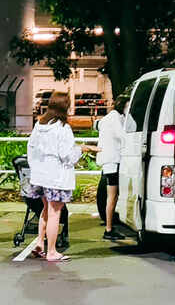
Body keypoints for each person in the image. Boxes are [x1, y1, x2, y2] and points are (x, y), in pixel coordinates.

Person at [26, 91, 92, 262]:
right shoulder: (63, 128)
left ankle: (40, 244)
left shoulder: (39, 125)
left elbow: (31, 149)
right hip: (56, 176)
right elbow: (67, 156)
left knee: (45, 210)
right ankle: (52, 251)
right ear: (65, 107)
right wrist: (82, 149)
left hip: (40, 175)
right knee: (55, 213)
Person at [94, 95, 129, 241]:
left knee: (111, 196)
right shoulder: (115, 119)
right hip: (112, 162)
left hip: (108, 161)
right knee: (112, 196)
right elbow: (124, 137)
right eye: (127, 106)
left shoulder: (107, 118)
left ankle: (110, 227)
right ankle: (109, 229)